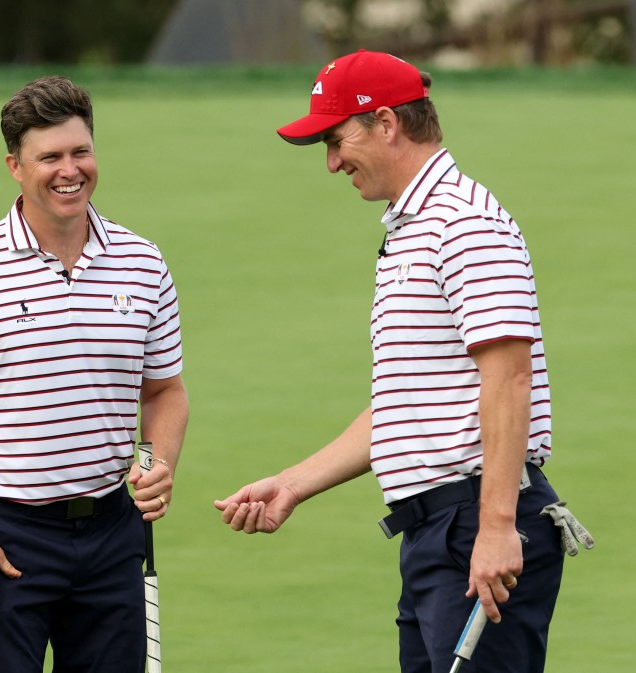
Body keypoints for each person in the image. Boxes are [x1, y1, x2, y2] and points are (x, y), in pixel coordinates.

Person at [214, 50, 566, 672]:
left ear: (385, 123)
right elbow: (403, 408)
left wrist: (496, 527)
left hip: (475, 525)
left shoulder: (465, 223)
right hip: (437, 533)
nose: (330, 162)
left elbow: (508, 379)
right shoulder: (412, 229)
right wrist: (293, 485)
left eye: (335, 138)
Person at [0, 75, 189, 673]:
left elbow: (163, 391)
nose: (70, 170)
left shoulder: (142, 261)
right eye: (49, 157)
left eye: (80, 151)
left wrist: (155, 460)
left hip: (113, 531)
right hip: (6, 540)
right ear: (15, 166)